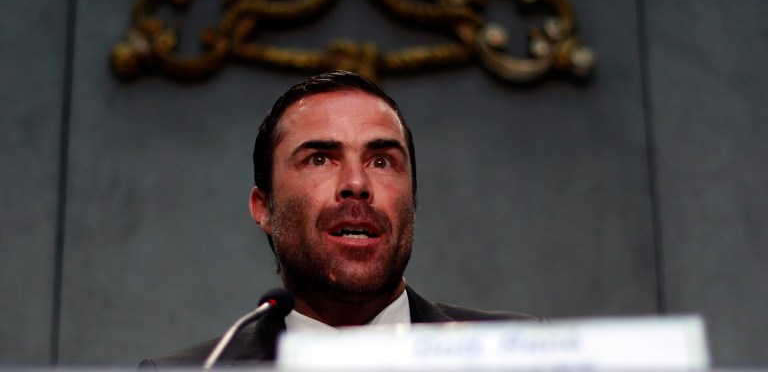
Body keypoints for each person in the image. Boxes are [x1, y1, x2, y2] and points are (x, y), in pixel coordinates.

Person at [141, 70, 535, 368]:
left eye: (381, 161)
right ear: (264, 207)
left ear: (411, 201)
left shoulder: (521, 355)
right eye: (319, 159)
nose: (356, 184)